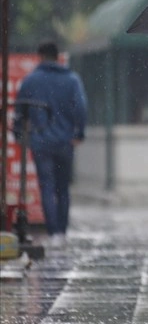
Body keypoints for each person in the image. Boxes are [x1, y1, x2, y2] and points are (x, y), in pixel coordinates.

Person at [13, 41, 87, 248]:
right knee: (63, 188)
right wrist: (79, 133)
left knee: (46, 186)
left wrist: (18, 133)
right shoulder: (72, 80)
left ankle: (53, 232)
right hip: (65, 142)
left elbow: (20, 110)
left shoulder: (31, 81)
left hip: (41, 141)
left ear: (41, 56)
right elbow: (81, 108)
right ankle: (62, 232)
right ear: (57, 57)